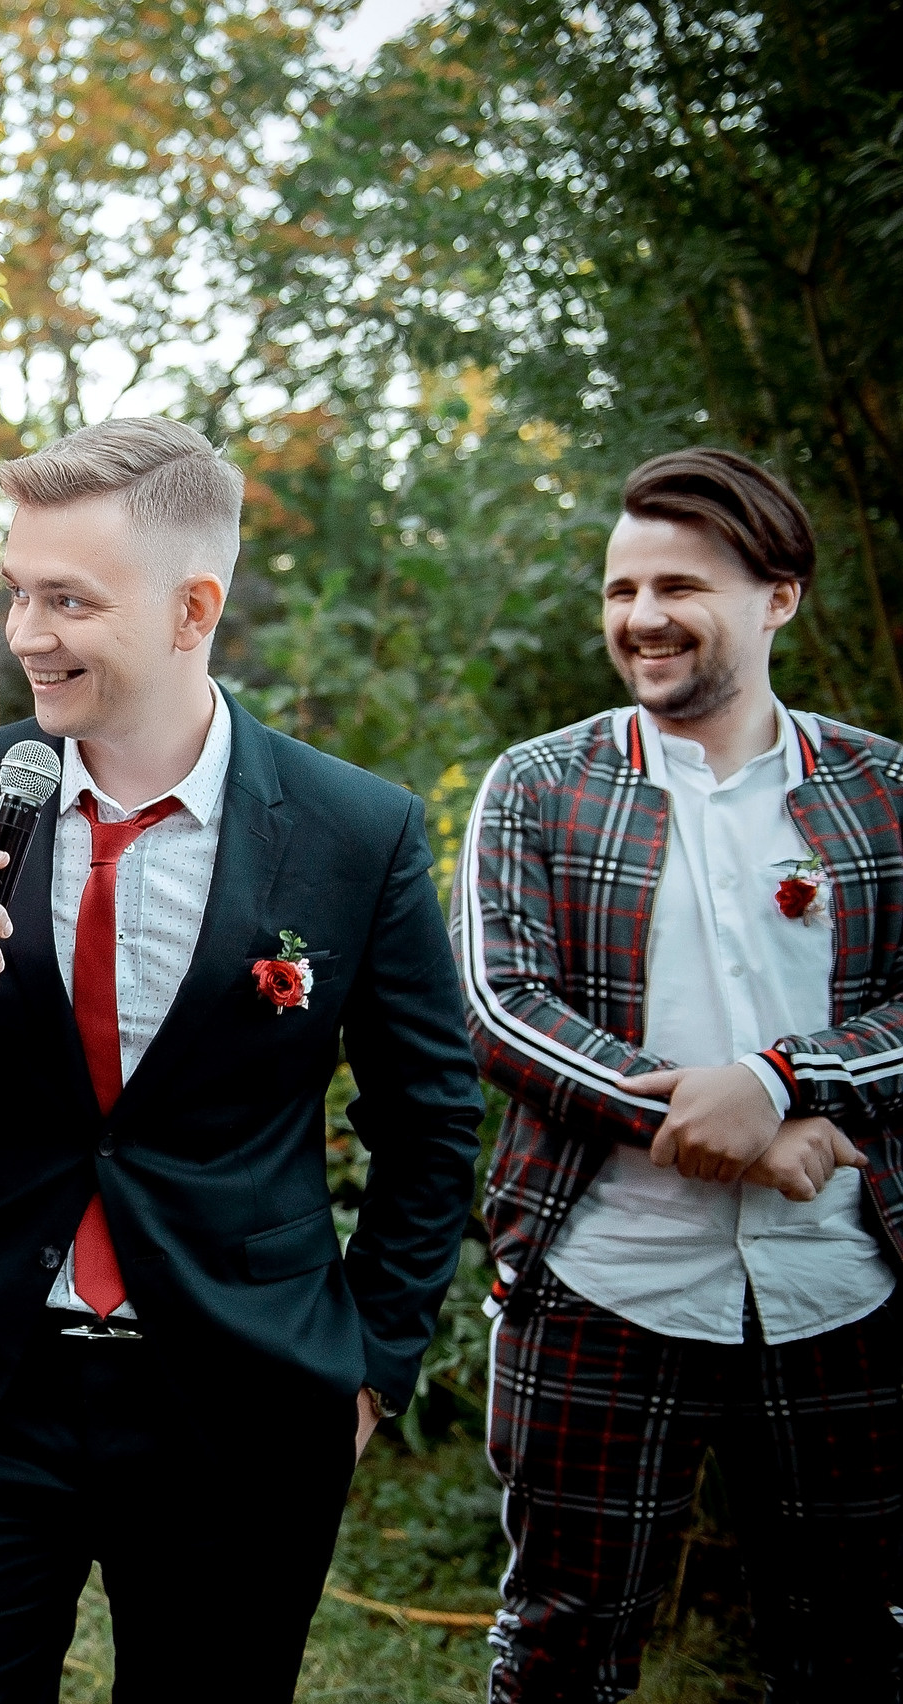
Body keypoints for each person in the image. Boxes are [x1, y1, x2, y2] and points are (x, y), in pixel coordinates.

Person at [0, 416, 482, 1701]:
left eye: (67, 600)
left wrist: (371, 1363)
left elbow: (429, 1119)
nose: (25, 633)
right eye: (17, 593)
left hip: (238, 1395)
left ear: (191, 607)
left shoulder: (352, 830)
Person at [454, 447, 903, 1701]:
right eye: (619, 590)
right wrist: (752, 1132)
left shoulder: (881, 789)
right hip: (605, 1280)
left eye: (678, 587)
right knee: (559, 1643)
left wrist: (779, 1078)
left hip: (846, 1289)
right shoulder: (540, 786)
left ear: (778, 596)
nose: (640, 617)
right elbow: (502, 1010)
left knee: (857, 1642)